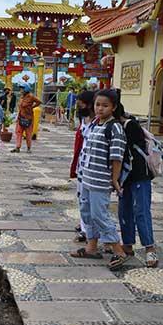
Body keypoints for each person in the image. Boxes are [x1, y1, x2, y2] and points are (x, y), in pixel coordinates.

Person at [69, 89, 132, 271]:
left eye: (105, 105)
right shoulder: (95, 124)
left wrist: (115, 180)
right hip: (87, 177)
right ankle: (91, 246)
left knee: (99, 215)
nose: (100, 108)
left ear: (113, 107)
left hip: (100, 180)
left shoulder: (115, 128)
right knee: (87, 213)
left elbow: (116, 157)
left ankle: (118, 251)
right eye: (98, 105)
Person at [117, 106, 158, 267]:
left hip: (139, 174)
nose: (100, 110)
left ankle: (150, 248)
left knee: (141, 210)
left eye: (104, 106)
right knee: (124, 210)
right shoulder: (107, 126)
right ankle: (127, 244)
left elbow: (128, 152)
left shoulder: (129, 126)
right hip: (123, 176)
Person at [69, 90, 95, 243]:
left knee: (94, 203)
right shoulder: (83, 120)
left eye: (81, 105)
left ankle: (96, 235)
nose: (79, 108)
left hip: (94, 168)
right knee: (82, 199)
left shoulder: (99, 123)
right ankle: (85, 227)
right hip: (82, 165)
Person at [11, 83, 42, 153]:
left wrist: (32, 107)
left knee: (28, 133)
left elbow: (39, 102)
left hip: (28, 118)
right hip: (20, 117)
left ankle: (29, 148)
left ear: (26, 89)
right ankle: (17, 147)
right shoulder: (22, 97)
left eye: (22, 88)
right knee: (18, 132)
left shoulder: (31, 96)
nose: (21, 90)